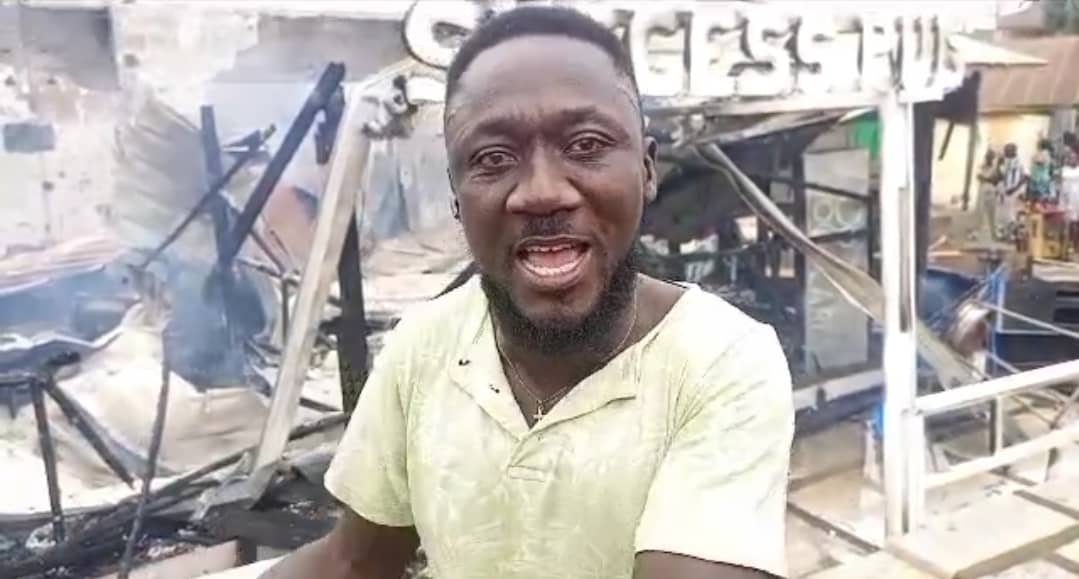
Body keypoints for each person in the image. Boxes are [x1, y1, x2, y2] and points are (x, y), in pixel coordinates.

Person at [262, 6, 793, 579]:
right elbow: (353, 560)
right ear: (457, 197)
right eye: (493, 158)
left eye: (586, 144)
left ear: (646, 169)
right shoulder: (425, 347)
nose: (542, 193)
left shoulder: (720, 363)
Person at [998, 143, 1027, 240]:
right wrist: (999, 163)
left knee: (1014, 214)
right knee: (1005, 214)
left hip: (1016, 192)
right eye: (1005, 151)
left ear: (1014, 151)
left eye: (1007, 151)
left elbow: (1026, 176)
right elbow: (1000, 176)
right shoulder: (1005, 161)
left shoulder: (1020, 162)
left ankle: (1015, 235)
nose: (1005, 152)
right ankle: (1006, 234)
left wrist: (1014, 188)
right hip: (1005, 191)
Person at [976, 148, 1000, 241]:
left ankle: (994, 234)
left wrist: (988, 179)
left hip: (992, 192)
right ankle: (981, 234)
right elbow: (979, 177)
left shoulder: (995, 168)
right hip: (983, 191)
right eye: (988, 156)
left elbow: (996, 180)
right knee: (981, 213)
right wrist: (990, 179)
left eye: (991, 157)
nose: (990, 158)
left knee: (993, 214)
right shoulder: (981, 166)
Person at [1061, 148, 1079, 254]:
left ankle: (1075, 245)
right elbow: (1062, 183)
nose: (1072, 159)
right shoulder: (1065, 169)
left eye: (1074, 158)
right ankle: (1068, 244)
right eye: (1070, 158)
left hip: (1077, 198)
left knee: (1075, 222)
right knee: (1067, 223)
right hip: (1066, 198)